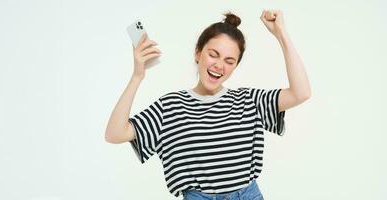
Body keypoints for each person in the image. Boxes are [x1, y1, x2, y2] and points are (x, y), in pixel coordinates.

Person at [105, 10, 311, 200]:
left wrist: (281, 34)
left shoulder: (249, 100)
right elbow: (115, 134)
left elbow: (301, 93)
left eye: (230, 61)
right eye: (213, 54)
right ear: (198, 53)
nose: (219, 65)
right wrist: (137, 75)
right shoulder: (170, 106)